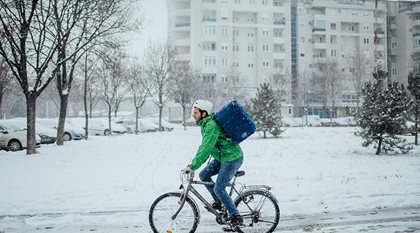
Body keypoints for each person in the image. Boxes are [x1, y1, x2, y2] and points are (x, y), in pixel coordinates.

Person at [183, 99, 244, 227]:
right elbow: (210, 146)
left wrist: (193, 165)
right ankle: (219, 201)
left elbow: (205, 148)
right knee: (204, 175)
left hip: (232, 158)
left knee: (219, 188)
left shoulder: (211, 126)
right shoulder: (206, 124)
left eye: (195, 112)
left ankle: (236, 216)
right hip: (222, 157)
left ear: (204, 113)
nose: (193, 115)